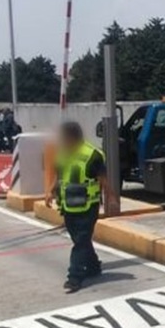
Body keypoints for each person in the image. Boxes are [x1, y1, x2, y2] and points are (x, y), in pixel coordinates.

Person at [46, 121, 114, 293]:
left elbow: (103, 179)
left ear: (73, 137)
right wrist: (50, 192)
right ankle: (93, 266)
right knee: (80, 240)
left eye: (64, 137)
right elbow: (59, 176)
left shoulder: (93, 154)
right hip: (68, 206)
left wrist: (111, 198)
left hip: (88, 206)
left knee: (81, 240)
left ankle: (74, 277)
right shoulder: (62, 154)